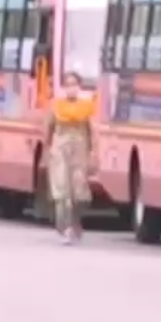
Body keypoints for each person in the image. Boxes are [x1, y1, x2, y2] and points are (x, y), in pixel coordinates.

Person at [43, 72, 96, 244]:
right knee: (62, 189)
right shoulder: (56, 106)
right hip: (60, 150)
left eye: (74, 84)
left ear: (79, 87)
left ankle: (76, 222)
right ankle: (64, 226)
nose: (71, 88)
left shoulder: (87, 107)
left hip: (79, 150)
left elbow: (92, 131)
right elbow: (48, 130)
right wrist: (46, 151)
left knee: (79, 192)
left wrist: (93, 153)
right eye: (68, 84)